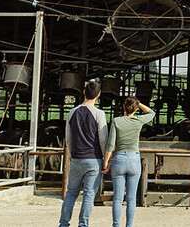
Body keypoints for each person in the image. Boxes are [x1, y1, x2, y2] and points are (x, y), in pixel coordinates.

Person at [58, 81, 108, 227]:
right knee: (89, 195)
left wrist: (72, 155)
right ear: (98, 96)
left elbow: (68, 138)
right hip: (94, 159)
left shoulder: (72, 112)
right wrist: (105, 159)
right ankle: (83, 224)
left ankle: (63, 224)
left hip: (77, 158)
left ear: (84, 92)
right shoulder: (99, 114)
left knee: (71, 193)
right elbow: (103, 139)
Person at [104, 96, 154, 227]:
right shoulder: (138, 120)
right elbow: (151, 113)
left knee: (117, 198)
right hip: (134, 159)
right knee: (131, 198)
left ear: (123, 107)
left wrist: (106, 161)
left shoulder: (116, 121)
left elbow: (110, 144)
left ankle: (116, 225)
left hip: (119, 159)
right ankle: (129, 225)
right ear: (136, 109)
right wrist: (139, 103)